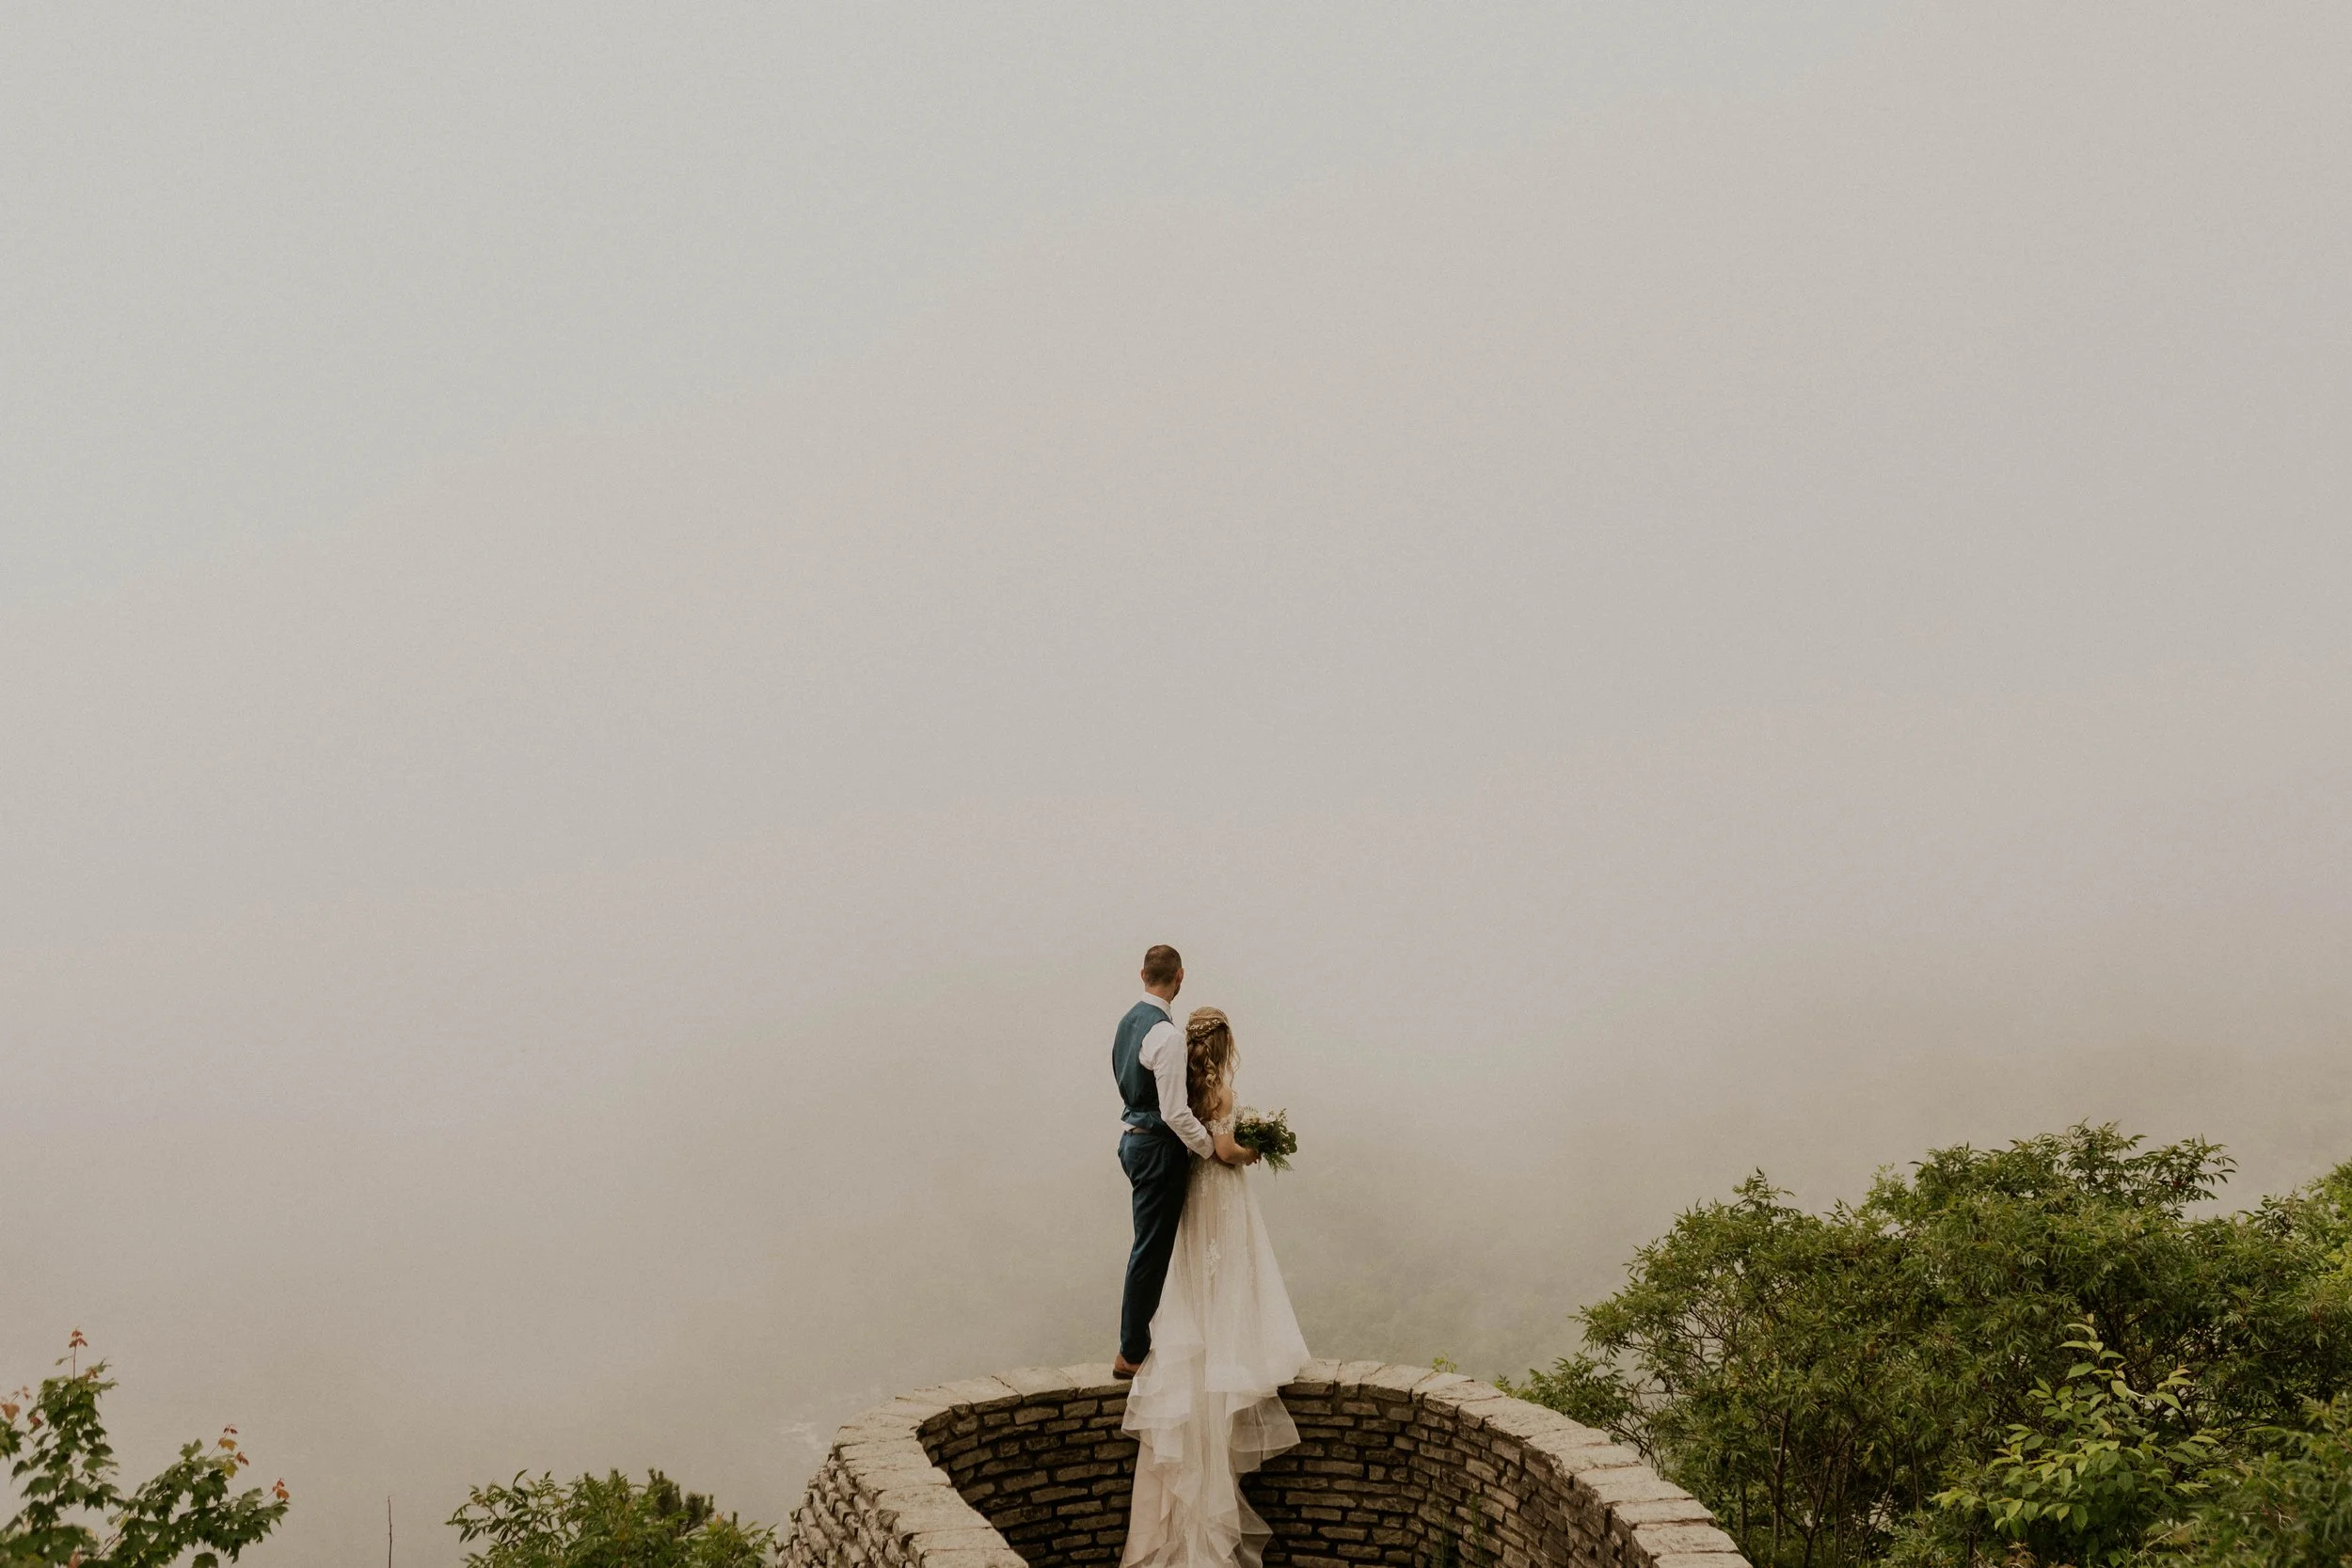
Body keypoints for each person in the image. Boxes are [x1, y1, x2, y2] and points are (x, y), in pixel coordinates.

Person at [1119, 1005, 1311, 1568]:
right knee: (1229, 1279)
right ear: (1224, 1044)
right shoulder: (1221, 1091)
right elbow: (1225, 1152)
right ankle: (1235, 1353)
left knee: (1197, 1283)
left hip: (1191, 1198)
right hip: (1221, 1194)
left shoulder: (1180, 1090)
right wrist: (1256, 1150)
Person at [1113, 944, 1231, 1379]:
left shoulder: (1127, 1024)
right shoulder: (1166, 1035)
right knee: (1151, 1250)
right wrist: (1209, 1149)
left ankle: (1138, 1345)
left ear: (1142, 973)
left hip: (1133, 1140)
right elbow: (1175, 1112)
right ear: (1180, 977)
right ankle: (1131, 1352)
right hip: (1158, 1149)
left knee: (1150, 1246)